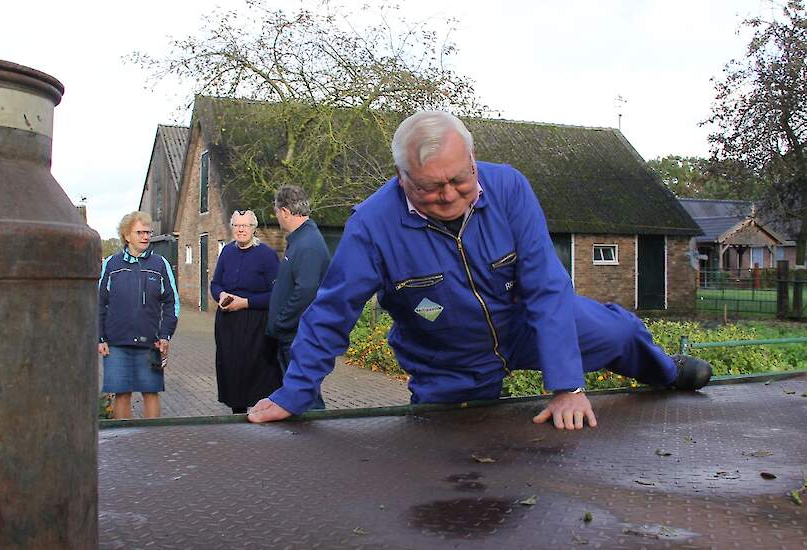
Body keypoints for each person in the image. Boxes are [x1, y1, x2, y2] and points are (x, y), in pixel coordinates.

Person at [249, 111, 712, 429]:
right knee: (452, 440)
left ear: (473, 161)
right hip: (447, 352)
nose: (449, 195)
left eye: (460, 179)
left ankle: (667, 372)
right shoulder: (371, 224)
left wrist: (568, 387)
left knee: (617, 334)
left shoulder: (509, 187)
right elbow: (333, 312)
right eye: (431, 187)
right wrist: (294, 393)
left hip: (523, 322)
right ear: (401, 179)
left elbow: (547, 287)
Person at [98, 211, 179, 419]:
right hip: (116, 343)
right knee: (122, 394)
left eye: (148, 232)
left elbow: (172, 303)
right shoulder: (111, 265)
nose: (145, 237)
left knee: (151, 393)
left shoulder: (160, 265)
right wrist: (100, 337)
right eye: (140, 232)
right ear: (127, 235)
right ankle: (124, 444)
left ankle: (152, 442)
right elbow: (98, 303)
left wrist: (165, 336)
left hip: (150, 343)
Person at [266, 185, 332, 410]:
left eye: (277, 212)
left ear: (285, 211)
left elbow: (306, 292)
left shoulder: (308, 245)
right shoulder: (301, 241)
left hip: (297, 336)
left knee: (306, 399)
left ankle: (314, 445)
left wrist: (281, 322)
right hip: (292, 335)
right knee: (297, 396)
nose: (277, 217)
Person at [211, 210, 282, 414]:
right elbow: (215, 283)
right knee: (232, 370)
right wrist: (221, 294)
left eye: (246, 225)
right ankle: (238, 415)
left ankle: (261, 415)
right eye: (237, 225)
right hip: (228, 324)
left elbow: (276, 294)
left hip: (256, 323)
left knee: (258, 372)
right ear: (232, 228)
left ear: (254, 229)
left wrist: (246, 303)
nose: (241, 229)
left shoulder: (267, 255)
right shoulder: (227, 252)